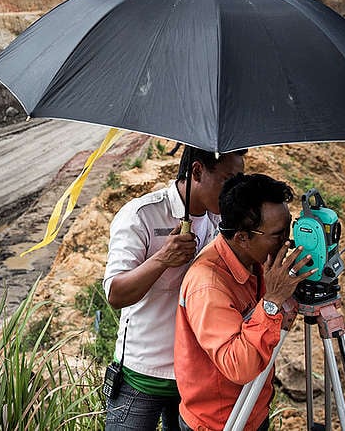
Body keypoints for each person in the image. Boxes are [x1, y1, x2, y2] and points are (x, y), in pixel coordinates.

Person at [103, 146, 246, 431]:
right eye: (228, 180)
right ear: (197, 171)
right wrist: (162, 259)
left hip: (196, 380)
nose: (234, 190)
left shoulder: (222, 221)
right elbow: (116, 294)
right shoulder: (141, 215)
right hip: (142, 378)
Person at [174, 173, 314, 431]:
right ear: (242, 237)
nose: (287, 241)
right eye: (277, 234)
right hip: (220, 422)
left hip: (253, 408)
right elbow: (238, 366)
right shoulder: (209, 285)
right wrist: (271, 302)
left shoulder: (256, 260)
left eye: (288, 228)